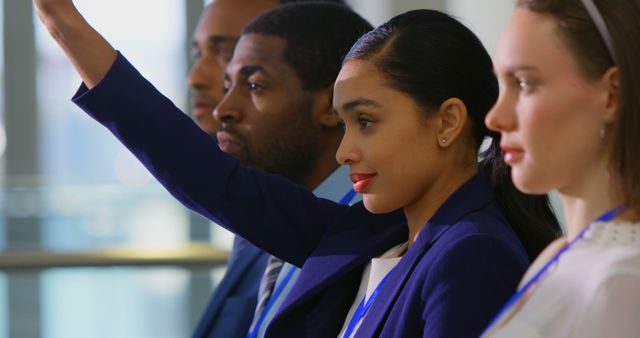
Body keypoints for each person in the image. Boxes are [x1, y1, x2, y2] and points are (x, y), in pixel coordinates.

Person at [33, 1, 562, 337]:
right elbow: (210, 178)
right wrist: (65, 26)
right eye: (344, 123)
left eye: (366, 122)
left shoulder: (471, 253)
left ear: (447, 121)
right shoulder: (375, 232)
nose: (344, 150)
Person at [186, 1, 352, 337]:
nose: (197, 79)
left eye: (225, 51)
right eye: (199, 52)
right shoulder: (256, 229)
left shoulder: (362, 234)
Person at [481, 0, 640, 337]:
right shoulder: (560, 253)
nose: (495, 118)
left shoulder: (622, 278)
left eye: (524, 84)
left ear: (610, 96)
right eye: (501, 85)